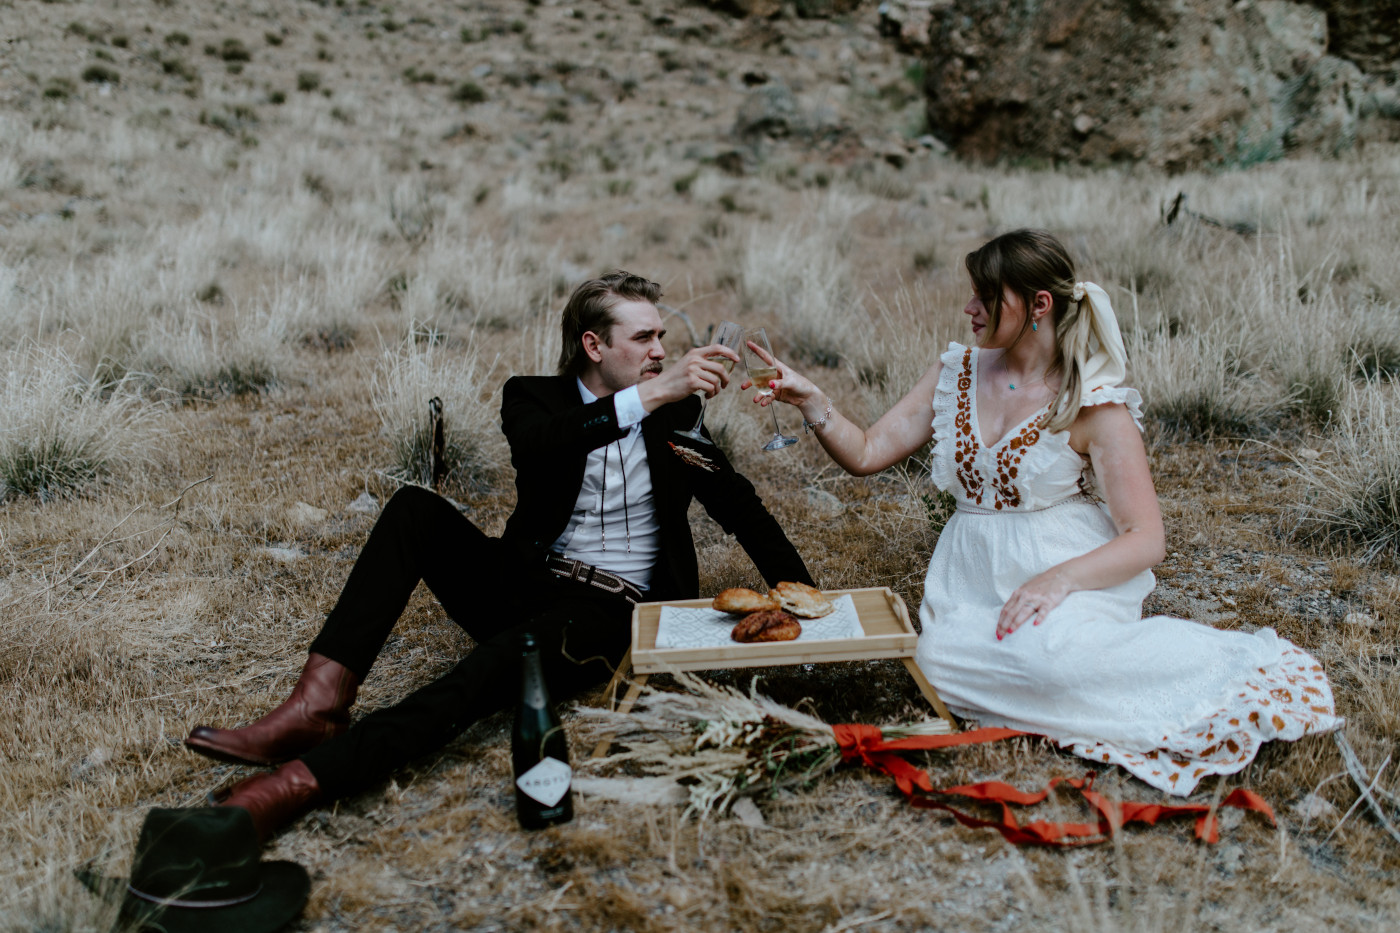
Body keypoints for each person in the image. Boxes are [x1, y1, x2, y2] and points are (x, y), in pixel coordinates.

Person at [185, 271, 814, 838]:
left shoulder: (677, 414)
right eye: (644, 338)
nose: (660, 352)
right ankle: (315, 708)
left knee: (480, 675)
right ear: (594, 345)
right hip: (524, 583)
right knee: (413, 509)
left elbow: (742, 508)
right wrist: (649, 397)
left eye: (662, 337)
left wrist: (808, 599)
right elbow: (547, 446)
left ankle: (298, 782)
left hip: (608, 611)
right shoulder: (532, 399)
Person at [745, 229, 1340, 795]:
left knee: (1054, 664)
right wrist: (813, 401)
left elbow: (1145, 537)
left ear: (1038, 304)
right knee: (934, 660)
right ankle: (1041, 678)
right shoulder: (956, 372)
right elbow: (869, 452)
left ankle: (1234, 674)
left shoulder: (1094, 402)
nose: (969, 309)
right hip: (970, 578)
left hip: (1067, 568)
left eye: (985, 297)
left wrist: (1057, 580)